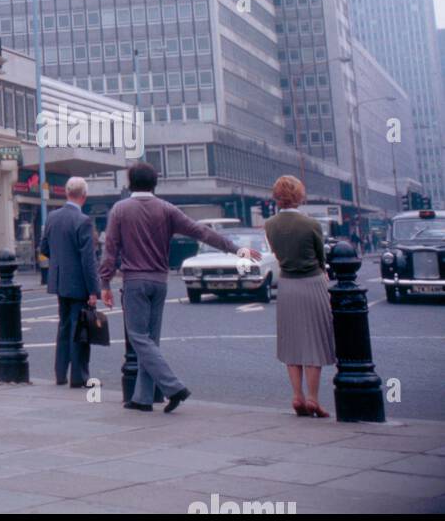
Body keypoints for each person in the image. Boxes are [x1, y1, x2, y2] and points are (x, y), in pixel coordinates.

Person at [101, 162, 260, 413]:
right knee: (150, 340)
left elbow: (110, 248)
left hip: (135, 281)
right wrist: (236, 249)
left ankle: (173, 387)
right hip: (160, 281)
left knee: (138, 337)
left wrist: (105, 282)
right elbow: (202, 233)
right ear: (155, 183)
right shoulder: (167, 209)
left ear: (130, 182)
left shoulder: (120, 209)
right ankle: (142, 399)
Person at [264, 175, 336, 418]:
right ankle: (314, 399)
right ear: (298, 195)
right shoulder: (311, 224)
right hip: (312, 282)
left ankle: (297, 396)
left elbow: (276, 252)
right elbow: (320, 257)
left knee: (291, 342)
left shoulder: (269, 225)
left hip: (287, 284)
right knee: (314, 341)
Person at [41, 177, 102, 388]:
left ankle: (60, 374)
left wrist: (60, 263)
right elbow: (88, 260)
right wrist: (94, 290)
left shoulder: (52, 217)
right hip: (79, 284)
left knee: (64, 327)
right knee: (80, 330)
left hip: (59, 282)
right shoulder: (83, 221)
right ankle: (79, 377)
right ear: (83, 196)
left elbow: (44, 248)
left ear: (67, 193)